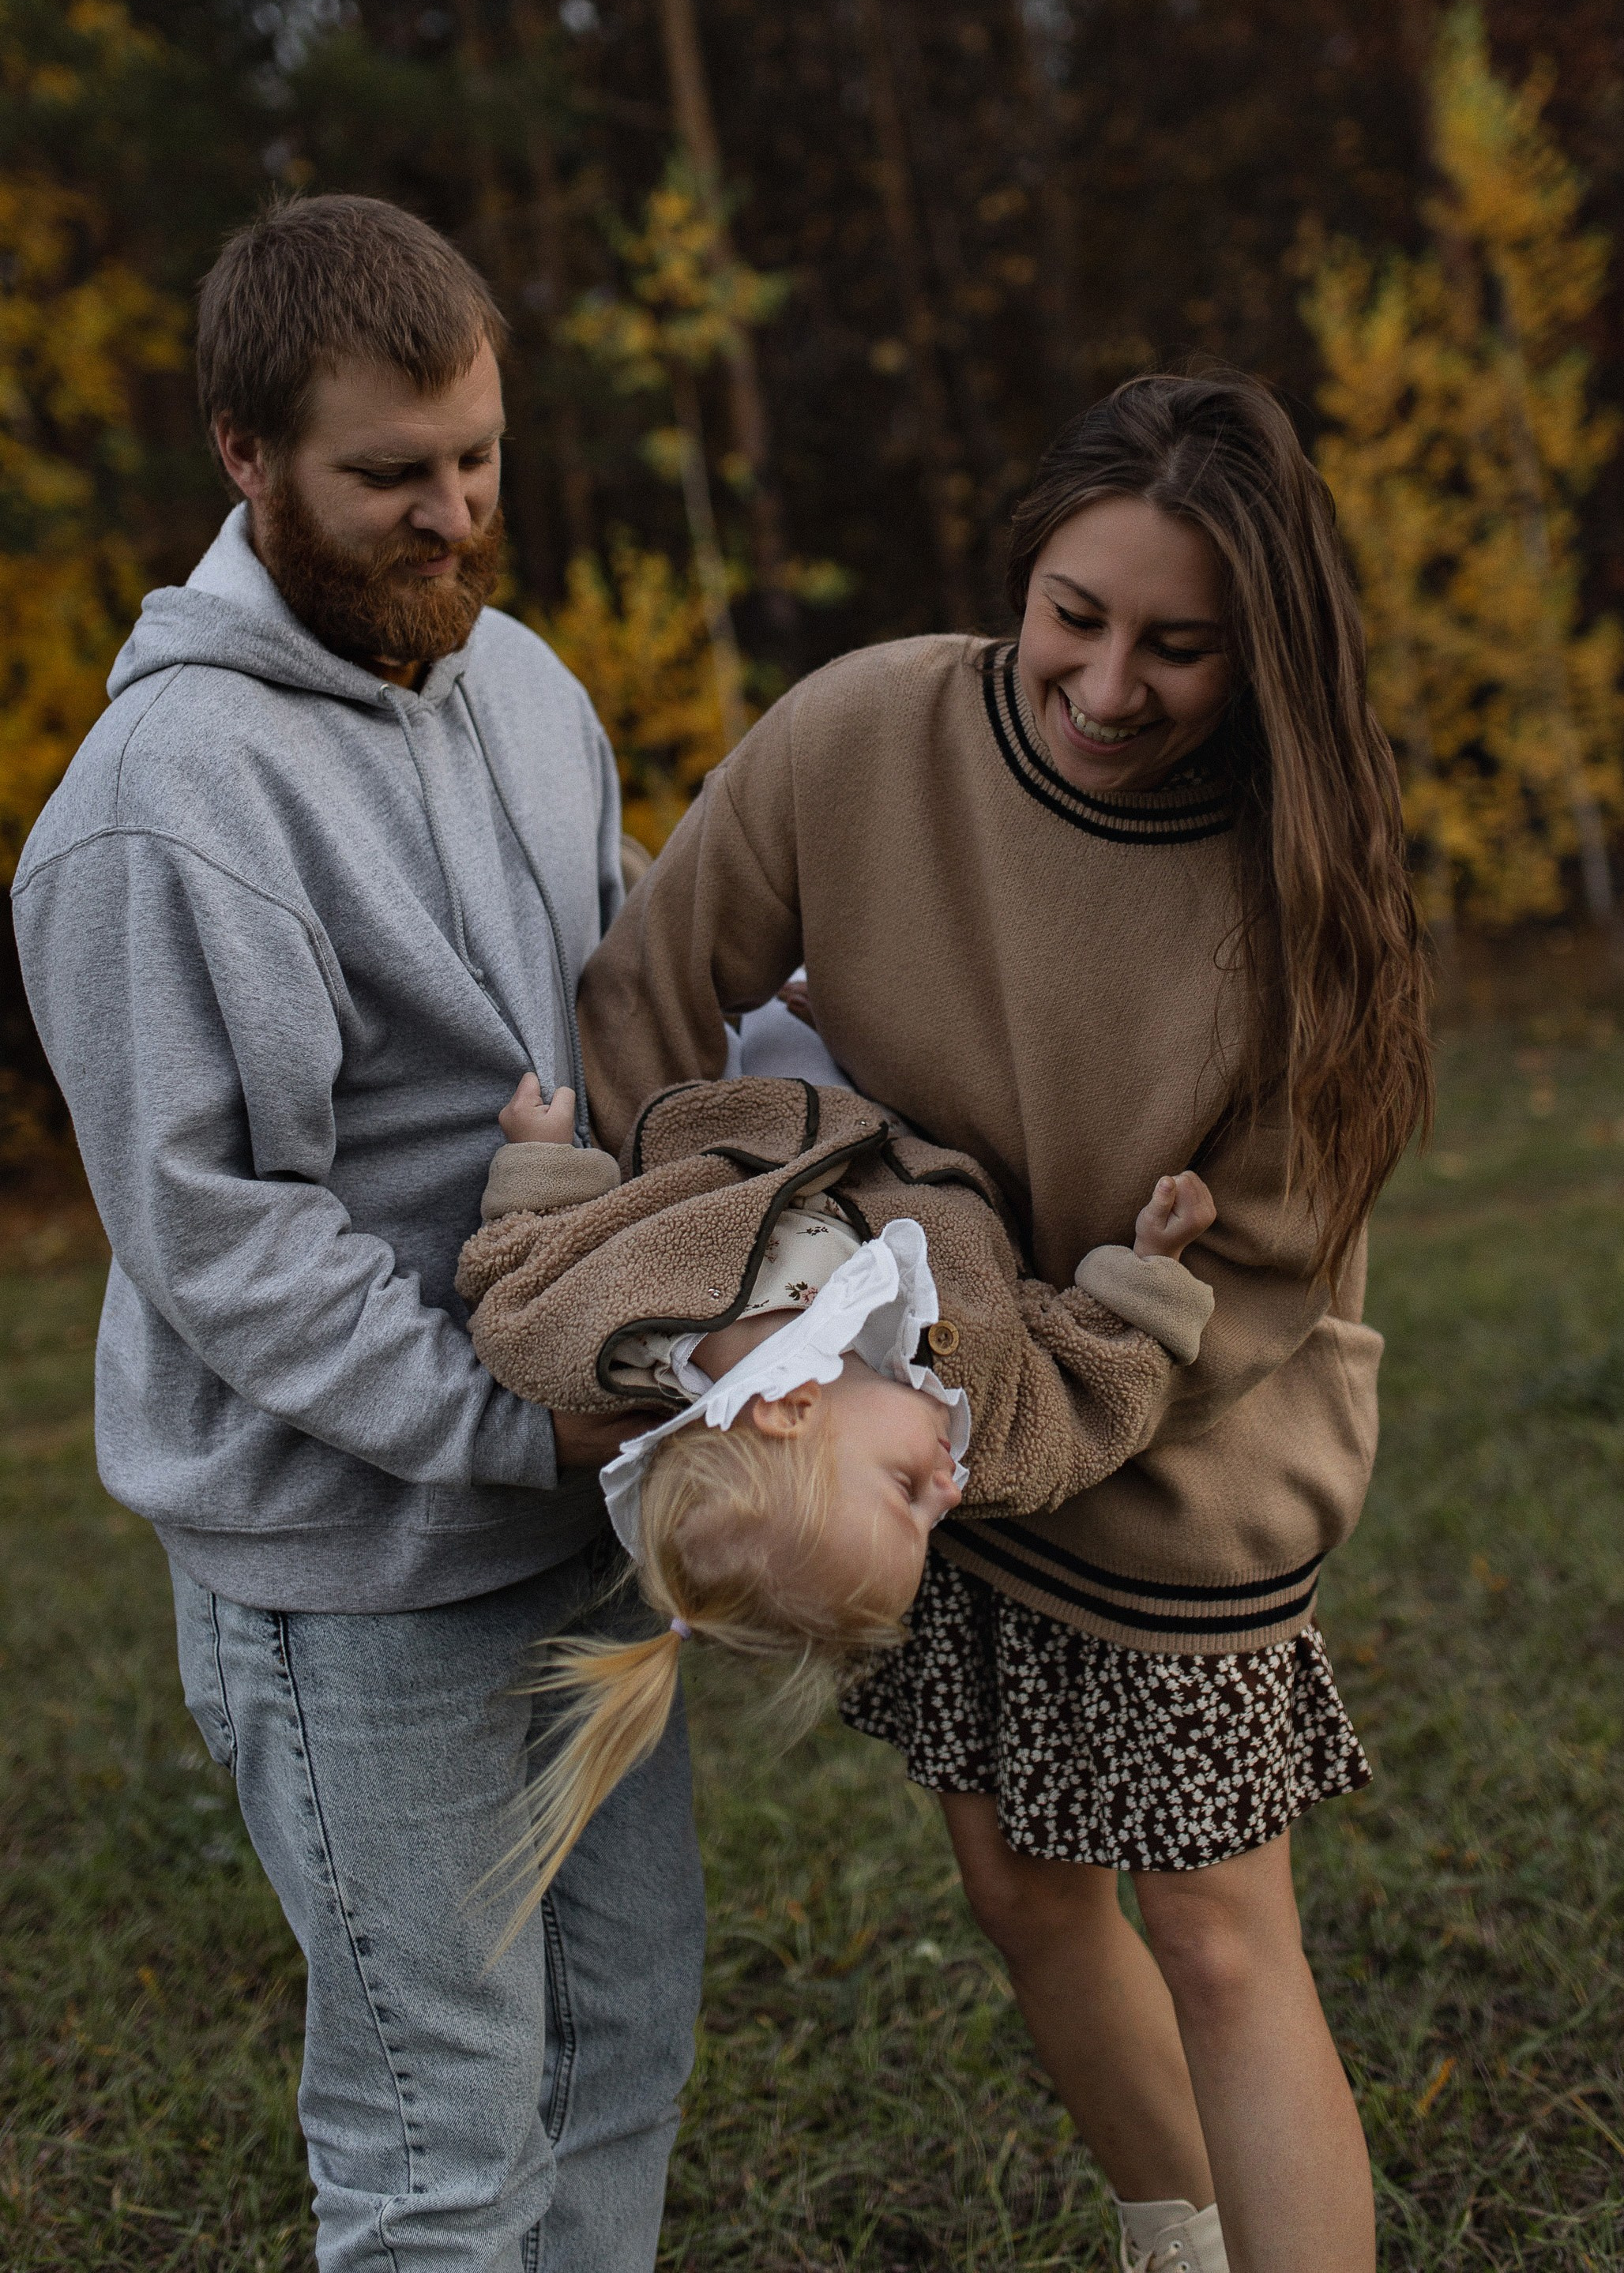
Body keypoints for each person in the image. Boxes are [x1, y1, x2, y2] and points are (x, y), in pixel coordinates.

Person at [576, 370, 1434, 2273]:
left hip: (1174, 1445)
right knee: (1020, 1883)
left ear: (1264, 653)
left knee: (1217, 1928)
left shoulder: (1304, 878)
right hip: (909, 1420)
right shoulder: (860, 734)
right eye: (1077, 616)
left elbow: (1264, 1270)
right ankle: (1178, 2242)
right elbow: (647, 1002)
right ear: (1020, 578)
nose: (1112, 685)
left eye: (1180, 646)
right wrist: (714, 1295)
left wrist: (996, 1402)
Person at [12, 194, 702, 2273]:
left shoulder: (529, 689)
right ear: (244, 452)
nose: (449, 513)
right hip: (357, 1578)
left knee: (615, 2053)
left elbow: (636, 990)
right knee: (437, 2149)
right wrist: (520, 1429)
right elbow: (221, 1241)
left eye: (476, 456)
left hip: (579, 1527)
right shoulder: (161, 804)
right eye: (388, 475)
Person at [451, 1069, 1216, 1891]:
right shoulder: (983, 1420)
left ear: (790, 1409)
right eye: (932, 1519)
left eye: (904, 1493)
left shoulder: (617, 1334)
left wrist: (539, 1158)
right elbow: (1086, 1410)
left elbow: (518, 1284)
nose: (950, 1494)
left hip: (746, 1073)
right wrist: (1150, 1266)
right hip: (920, 1085)